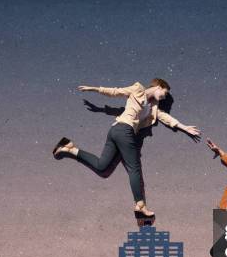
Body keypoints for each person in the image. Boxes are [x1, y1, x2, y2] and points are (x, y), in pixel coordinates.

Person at [53, 79, 201, 220]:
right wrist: (95, 89)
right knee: (134, 168)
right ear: (158, 86)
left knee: (102, 166)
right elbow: (116, 92)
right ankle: (140, 205)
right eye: (165, 93)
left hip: (115, 132)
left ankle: (70, 148)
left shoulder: (153, 108)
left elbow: (165, 117)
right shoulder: (138, 89)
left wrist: (184, 127)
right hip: (124, 130)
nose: (163, 97)